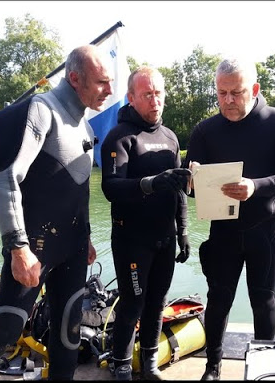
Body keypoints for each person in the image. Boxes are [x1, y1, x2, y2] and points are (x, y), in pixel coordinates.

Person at [0, 45, 113, 381]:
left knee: (69, 330)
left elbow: (78, 189)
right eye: (101, 82)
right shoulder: (42, 111)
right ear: (74, 78)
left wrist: (85, 237)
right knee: (6, 326)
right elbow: (4, 180)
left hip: (72, 247)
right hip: (33, 246)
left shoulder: (85, 126)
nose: (109, 90)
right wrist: (17, 247)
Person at [183, 57, 275, 380]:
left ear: (254, 89)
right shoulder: (205, 131)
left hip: (267, 230)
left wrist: (256, 186)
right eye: (221, 93)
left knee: (263, 301)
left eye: (235, 93)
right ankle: (213, 367)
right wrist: (192, 182)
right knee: (218, 299)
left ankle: (265, 370)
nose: (227, 101)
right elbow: (192, 188)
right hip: (223, 230)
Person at [100, 66, 192, 380]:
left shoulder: (169, 137)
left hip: (164, 238)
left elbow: (179, 188)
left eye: (158, 93)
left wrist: (183, 232)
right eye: (147, 94)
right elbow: (110, 187)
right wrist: (151, 183)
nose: (155, 101)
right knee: (133, 303)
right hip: (132, 241)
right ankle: (121, 366)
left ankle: (150, 363)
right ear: (132, 98)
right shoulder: (120, 137)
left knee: (157, 304)